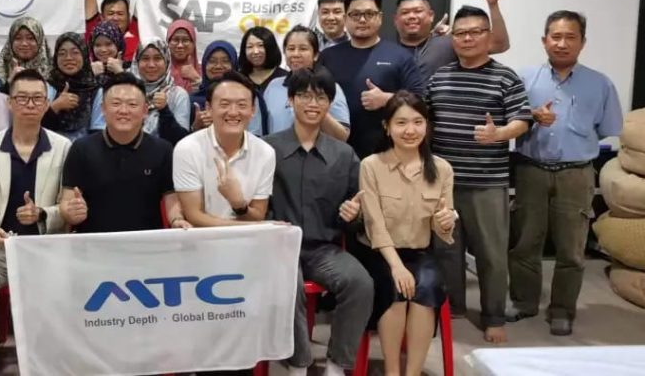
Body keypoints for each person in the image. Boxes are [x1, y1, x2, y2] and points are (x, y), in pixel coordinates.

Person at [509, 10, 623, 336]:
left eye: (570, 37)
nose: (562, 43)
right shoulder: (524, 79)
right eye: (555, 36)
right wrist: (531, 117)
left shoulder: (600, 84)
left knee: (572, 248)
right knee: (525, 242)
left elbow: (606, 128)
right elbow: (510, 120)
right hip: (531, 169)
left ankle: (562, 309)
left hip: (576, 173)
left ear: (582, 42)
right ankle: (524, 302)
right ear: (544, 40)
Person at [426, 5, 532, 343]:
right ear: (452, 39)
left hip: (487, 182)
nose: (467, 38)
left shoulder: (505, 77)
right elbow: (423, 117)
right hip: (443, 183)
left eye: (475, 32)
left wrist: (499, 134)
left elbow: (522, 120)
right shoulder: (440, 77)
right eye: (460, 33)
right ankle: (454, 307)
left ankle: (494, 316)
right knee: (447, 250)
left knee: (491, 253)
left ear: (488, 36)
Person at [264, 69, 372, 376]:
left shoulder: (344, 155)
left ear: (330, 104)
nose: (313, 104)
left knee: (360, 283)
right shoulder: (267, 149)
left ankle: (336, 365)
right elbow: (258, 205)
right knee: (288, 286)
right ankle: (299, 365)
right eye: (304, 96)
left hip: (324, 248)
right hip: (279, 247)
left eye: (321, 97)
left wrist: (353, 216)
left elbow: (356, 212)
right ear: (290, 100)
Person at [0, 69, 71, 376]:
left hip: (45, 250)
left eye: (37, 98)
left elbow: (67, 207)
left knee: (59, 293)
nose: (30, 104)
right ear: (9, 103)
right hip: (1, 249)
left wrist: (42, 214)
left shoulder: (63, 147)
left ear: (46, 104)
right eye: (22, 98)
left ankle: (48, 369)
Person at [356, 91, 456, 376]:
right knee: (396, 288)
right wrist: (397, 266)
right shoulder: (371, 166)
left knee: (427, 287)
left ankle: (412, 372)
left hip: (420, 251)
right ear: (387, 127)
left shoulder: (442, 169)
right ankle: (392, 371)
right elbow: (374, 224)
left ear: (427, 126)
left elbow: (443, 226)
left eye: (417, 122)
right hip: (379, 252)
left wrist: (446, 221)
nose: (410, 130)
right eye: (401, 123)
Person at [61, 73, 188, 233]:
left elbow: (171, 198)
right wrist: (70, 212)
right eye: (116, 103)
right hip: (93, 242)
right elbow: (67, 200)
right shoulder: (81, 148)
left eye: (132, 104)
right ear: (103, 109)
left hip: (147, 241)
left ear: (145, 110)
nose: (123, 111)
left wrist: (176, 220)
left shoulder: (163, 150)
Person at [321, 0, 425, 159]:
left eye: (369, 14)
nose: (362, 20)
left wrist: (387, 99)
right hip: (335, 154)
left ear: (380, 18)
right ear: (346, 19)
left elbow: (420, 101)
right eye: (355, 14)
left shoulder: (400, 56)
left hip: (387, 154)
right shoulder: (328, 57)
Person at [174, 71, 274, 228]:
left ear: (253, 110)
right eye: (224, 104)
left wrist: (238, 204)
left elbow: (258, 215)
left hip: (247, 241)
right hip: (202, 240)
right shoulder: (187, 149)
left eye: (242, 105)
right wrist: (264, 226)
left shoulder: (265, 152)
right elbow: (194, 216)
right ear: (209, 108)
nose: (233, 112)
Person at [395, 0, 511, 82]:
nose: (412, 16)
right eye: (405, 12)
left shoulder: (451, 42)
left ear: (431, 16)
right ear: (395, 19)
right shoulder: (389, 51)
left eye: (418, 11)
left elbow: (500, 45)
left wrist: (493, 5)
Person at [261, 25, 351, 140]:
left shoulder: (329, 87)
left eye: (303, 49)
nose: (296, 54)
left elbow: (343, 136)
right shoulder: (273, 86)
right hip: (275, 150)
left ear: (316, 55)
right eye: (291, 49)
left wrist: (318, 108)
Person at [95, 40, 191, 143]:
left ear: (167, 61)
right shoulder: (120, 91)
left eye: (157, 58)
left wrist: (164, 110)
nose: (151, 65)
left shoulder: (178, 95)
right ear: (137, 61)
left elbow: (181, 140)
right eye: (145, 59)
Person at [43, 32, 104, 141]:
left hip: (84, 149)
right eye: (62, 53)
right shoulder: (48, 87)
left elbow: (98, 132)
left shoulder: (95, 90)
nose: (68, 58)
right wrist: (55, 107)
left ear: (84, 55)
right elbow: (36, 126)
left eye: (75, 52)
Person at [0, 17, 52, 89]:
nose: (24, 43)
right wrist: (9, 82)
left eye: (30, 38)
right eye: (18, 38)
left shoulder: (52, 71)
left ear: (40, 41)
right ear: (11, 41)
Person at [237, 26, 288, 93]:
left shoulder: (285, 78)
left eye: (261, 45)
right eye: (250, 47)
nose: (255, 51)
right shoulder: (238, 79)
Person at [167, 19, 203, 92]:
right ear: (168, 43)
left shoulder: (205, 72)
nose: (180, 45)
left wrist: (197, 80)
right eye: (175, 40)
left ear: (193, 44)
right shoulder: (159, 72)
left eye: (185, 40)